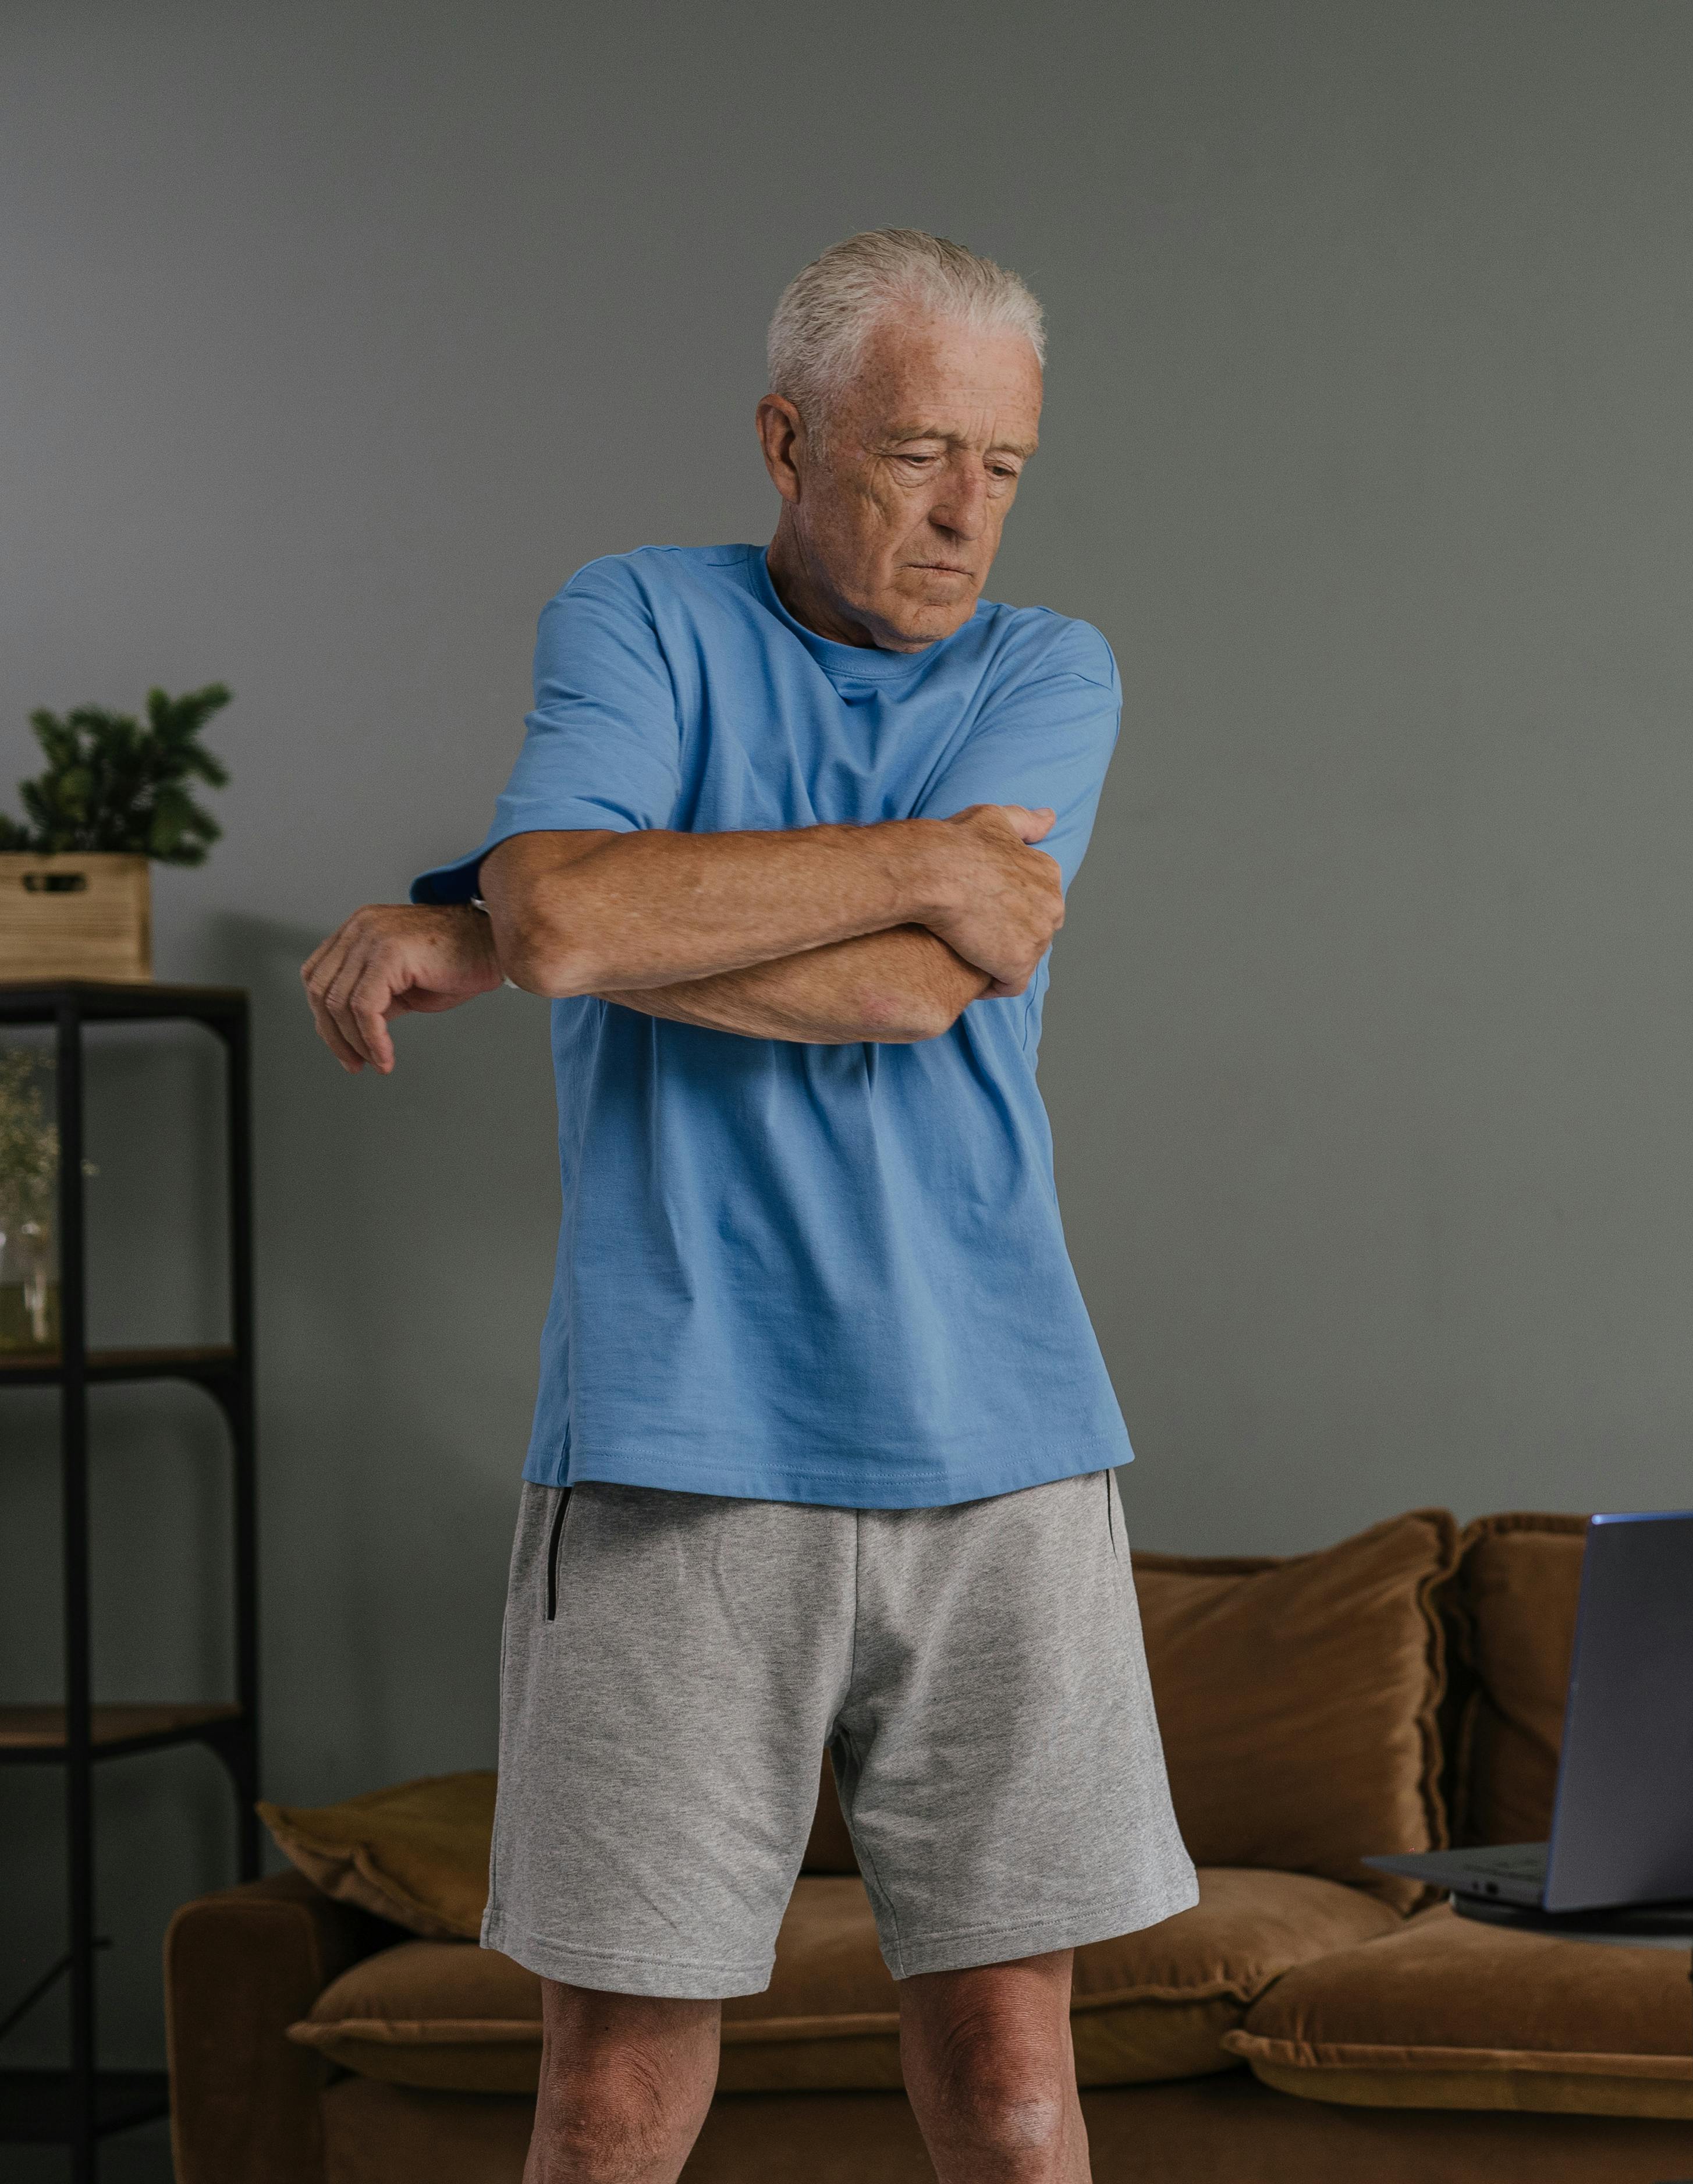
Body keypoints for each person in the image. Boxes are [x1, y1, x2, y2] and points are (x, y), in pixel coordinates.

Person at [298, 228, 1190, 2184]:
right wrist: (575, 920)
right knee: (613, 2094)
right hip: (675, 1439)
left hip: (1006, 1438)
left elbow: (907, 988)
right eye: (919, 454)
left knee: (1019, 2077)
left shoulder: (1053, 666)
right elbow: (575, 911)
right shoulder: (637, 616)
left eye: (1007, 471)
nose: (968, 519)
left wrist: (539, 931)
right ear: (789, 438)